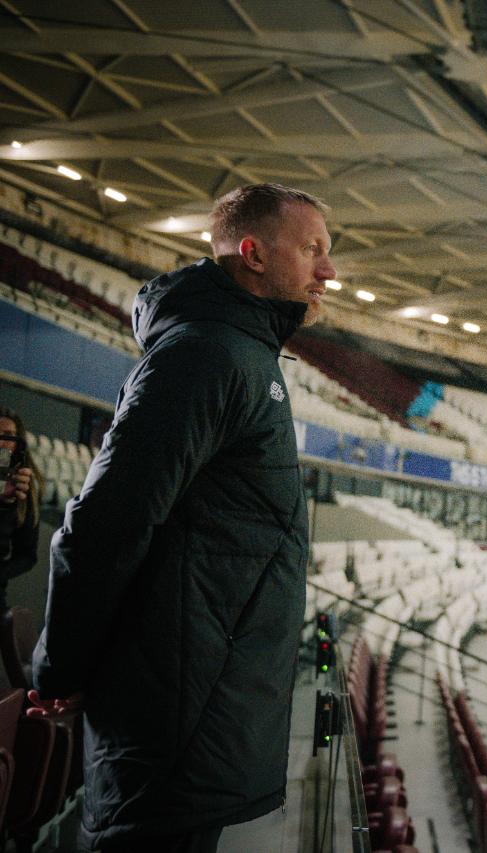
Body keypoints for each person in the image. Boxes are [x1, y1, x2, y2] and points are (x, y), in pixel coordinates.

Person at [28, 183, 337, 853]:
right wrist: (62, 667)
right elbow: (105, 523)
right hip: (174, 720)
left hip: (198, 713)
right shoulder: (206, 355)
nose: (329, 271)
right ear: (252, 253)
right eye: (313, 249)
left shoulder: (246, 355)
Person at [0, 408, 41, 609]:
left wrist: (7, 503)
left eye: (8, 436)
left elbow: (27, 554)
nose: (0, 442)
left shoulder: (24, 489)